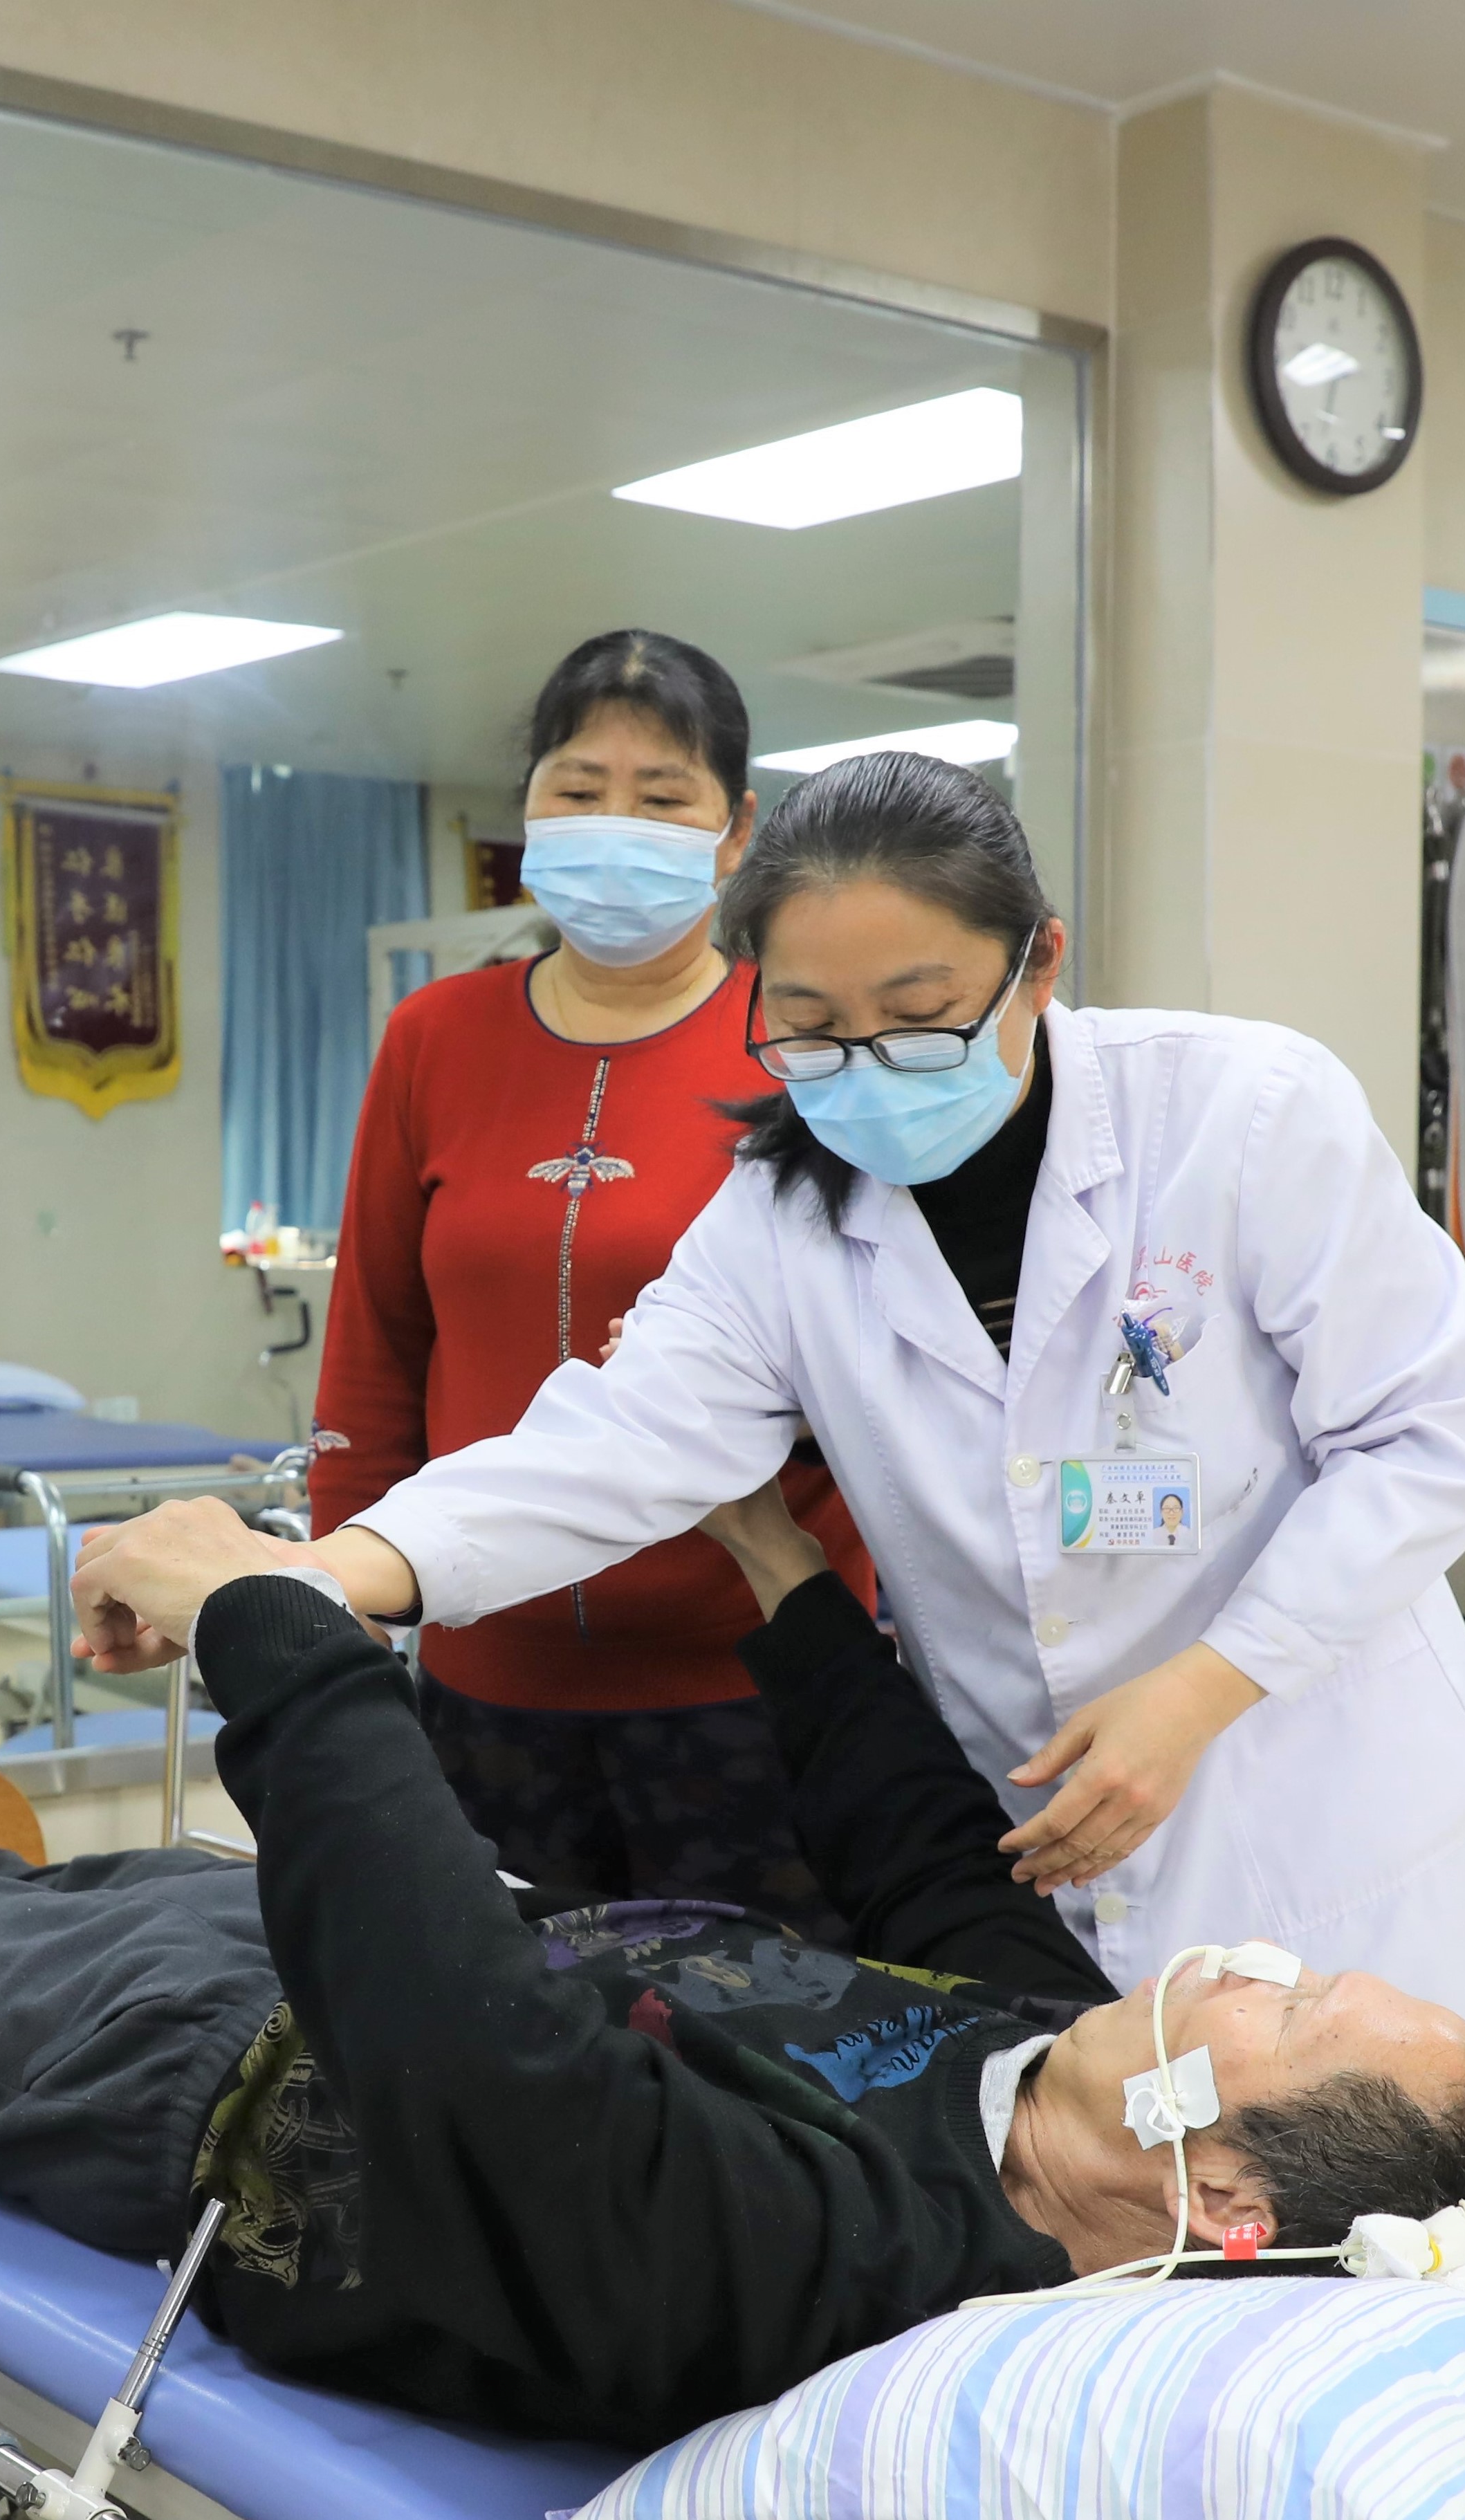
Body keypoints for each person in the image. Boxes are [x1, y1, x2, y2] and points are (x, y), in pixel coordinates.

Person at [91, 753, 1465, 2062]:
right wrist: (301, 1579)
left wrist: (1205, 1687)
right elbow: (607, 1447)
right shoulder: (778, 1221)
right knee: (1146, 2264)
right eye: (807, 1027)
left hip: (1326, 1808)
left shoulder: (1244, 1116)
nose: (863, 1069)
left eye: (917, 1018)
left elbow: (1428, 1434)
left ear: (1038, 962)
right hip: (1049, 1855)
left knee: (1439, 2240)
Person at [0, 1489, 1465, 2447]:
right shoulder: (1050, 2046)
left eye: (1289, 2007)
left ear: (1219, 2193)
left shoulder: (866, 2262)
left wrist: (267, 1606)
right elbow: (928, 1846)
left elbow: (481, 2063)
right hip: (326, 1946)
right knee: (59, 1883)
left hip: (200, 2105)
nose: (1259, 1960)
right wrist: (788, 1565)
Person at [311, 629, 875, 1924]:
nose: (613, 820)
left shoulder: (802, 1042)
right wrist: (338, 1602)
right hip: (479, 1679)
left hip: (748, 1685)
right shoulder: (433, 1037)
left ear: (735, 833)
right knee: (507, 2068)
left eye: (661, 794)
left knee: (755, 2073)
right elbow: (376, 1342)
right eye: (576, 787)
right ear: (527, 813)